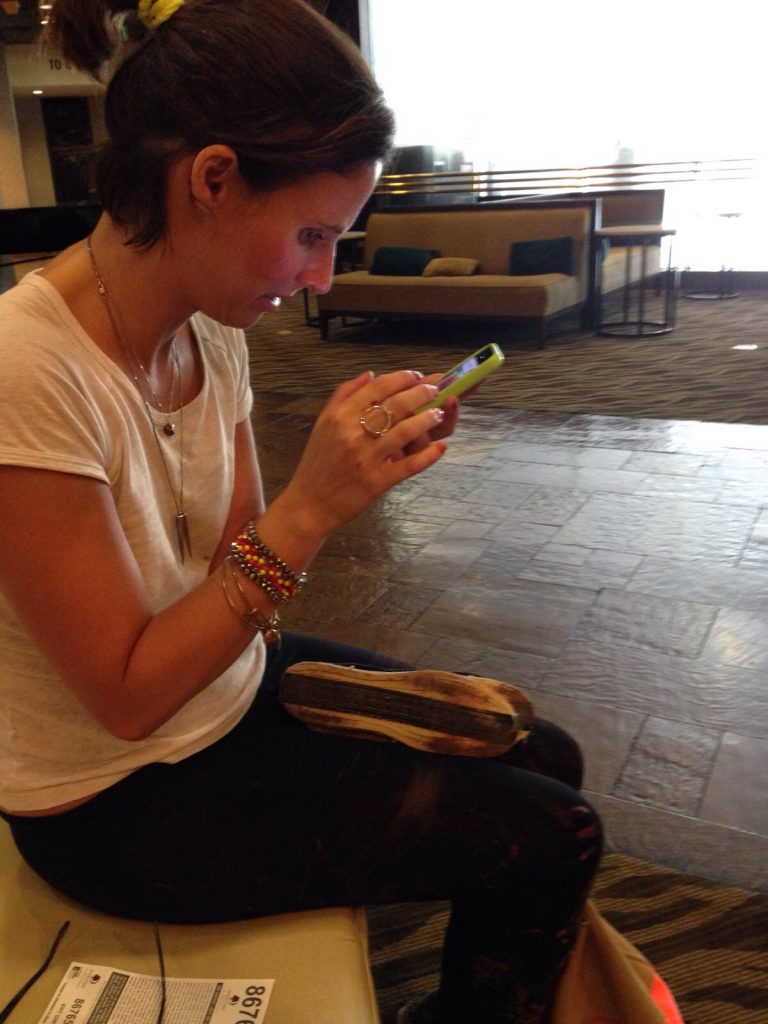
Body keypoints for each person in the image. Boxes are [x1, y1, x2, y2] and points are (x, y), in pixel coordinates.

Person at [0, 2, 602, 1022]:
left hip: (227, 689)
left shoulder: (212, 327)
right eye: (314, 234)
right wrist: (313, 508)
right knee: (555, 834)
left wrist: (339, 482)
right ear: (214, 178)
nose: (323, 275)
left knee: (545, 754)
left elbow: (242, 586)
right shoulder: (27, 367)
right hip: (116, 798)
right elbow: (128, 696)